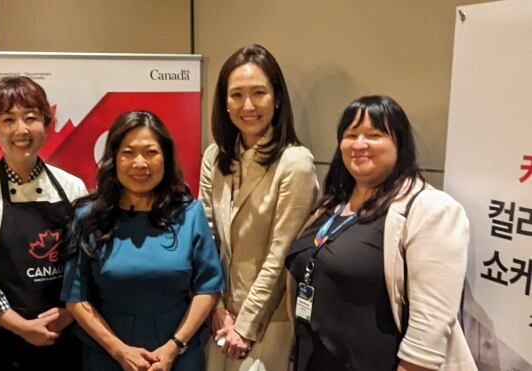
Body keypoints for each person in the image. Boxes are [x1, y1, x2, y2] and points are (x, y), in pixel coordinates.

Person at [284, 95, 477, 371]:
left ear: (399, 143)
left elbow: (429, 332)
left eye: (373, 135)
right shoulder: (334, 202)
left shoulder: (431, 210)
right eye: (351, 135)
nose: (359, 145)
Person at [62, 110, 225, 371]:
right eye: (128, 153)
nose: (140, 163)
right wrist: (119, 351)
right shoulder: (86, 217)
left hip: (178, 357)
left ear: (166, 158)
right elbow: (75, 298)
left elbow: (208, 288)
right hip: (106, 355)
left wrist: (173, 348)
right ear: (113, 159)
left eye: (151, 152)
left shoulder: (189, 213)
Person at [0, 76, 87, 370]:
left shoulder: (73, 188)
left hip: (61, 338)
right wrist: (23, 327)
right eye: (8, 119)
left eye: (31, 118)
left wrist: (67, 316)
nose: (21, 130)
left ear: (46, 126)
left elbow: (87, 265)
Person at [199, 44, 319, 371]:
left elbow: (282, 255)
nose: (247, 105)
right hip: (218, 317)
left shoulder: (295, 163)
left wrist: (245, 326)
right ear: (224, 102)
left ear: (276, 98)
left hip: (269, 320)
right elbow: (205, 238)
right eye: (236, 94)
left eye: (258, 93)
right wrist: (215, 307)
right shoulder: (214, 157)